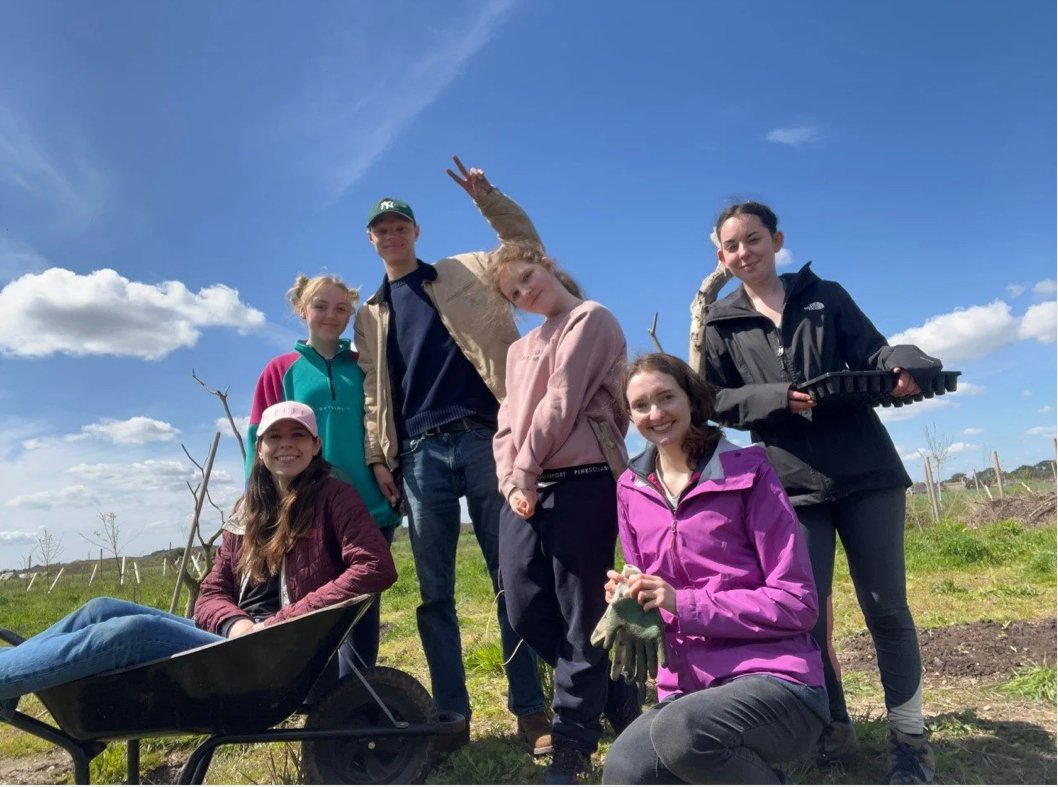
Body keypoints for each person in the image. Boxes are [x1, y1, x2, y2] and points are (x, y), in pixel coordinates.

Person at [696, 201, 941, 784]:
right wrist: (772, 397)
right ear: (721, 258)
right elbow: (710, 399)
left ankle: (909, 739)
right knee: (805, 619)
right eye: (731, 247)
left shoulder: (824, 295)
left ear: (777, 240)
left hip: (867, 475)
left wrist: (906, 363)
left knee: (887, 609)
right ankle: (831, 728)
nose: (743, 253)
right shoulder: (721, 323)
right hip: (791, 486)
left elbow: (876, 352)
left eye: (753, 239)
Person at [1, 402, 397, 718]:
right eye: (274, 437)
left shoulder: (333, 497)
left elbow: (374, 566)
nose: (286, 444)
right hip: (237, 640)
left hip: (278, 654)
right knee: (101, 608)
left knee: (135, 632)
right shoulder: (249, 510)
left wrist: (276, 624)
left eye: (298, 435)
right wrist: (235, 622)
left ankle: (6, 678)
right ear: (260, 449)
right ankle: (12, 674)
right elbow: (211, 590)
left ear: (315, 446)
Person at [353, 157, 548, 753]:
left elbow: (526, 247)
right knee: (434, 593)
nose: (392, 235)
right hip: (417, 456)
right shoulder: (370, 313)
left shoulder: (467, 267)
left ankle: (530, 710)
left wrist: (487, 197)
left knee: (509, 575)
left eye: (401, 225)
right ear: (372, 240)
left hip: (485, 435)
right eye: (382, 229)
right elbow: (373, 390)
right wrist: (379, 457)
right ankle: (450, 716)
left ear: (416, 232)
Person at [601, 353, 828, 785]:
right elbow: (649, 586)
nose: (656, 413)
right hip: (688, 690)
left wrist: (682, 603)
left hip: (776, 679)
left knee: (682, 735)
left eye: (666, 397)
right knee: (624, 770)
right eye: (641, 406)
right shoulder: (630, 487)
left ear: (691, 399)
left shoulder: (749, 472)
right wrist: (632, 597)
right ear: (629, 417)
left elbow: (797, 603)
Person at [489, 242, 637, 783]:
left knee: (581, 613)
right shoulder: (519, 347)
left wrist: (526, 469)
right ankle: (616, 690)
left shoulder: (590, 318)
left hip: (584, 479)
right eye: (514, 293)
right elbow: (507, 422)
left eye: (527, 277)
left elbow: (563, 399)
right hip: (526, 486)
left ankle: (573, 741)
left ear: (546, 265)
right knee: (523, 605)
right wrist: (511, 480)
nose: (527, 292)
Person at [245, 274, 400, 671]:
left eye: (341, 308)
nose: (331, 315)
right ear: (302, 310)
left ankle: (355, 699)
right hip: (304, 509)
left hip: (369, 504)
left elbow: (380, 421)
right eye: (320, 306)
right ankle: (319, 698)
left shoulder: (362, 365)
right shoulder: (281, 370)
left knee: (362, 607)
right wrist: (259, 503)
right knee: (314, 608)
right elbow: (259, 439)